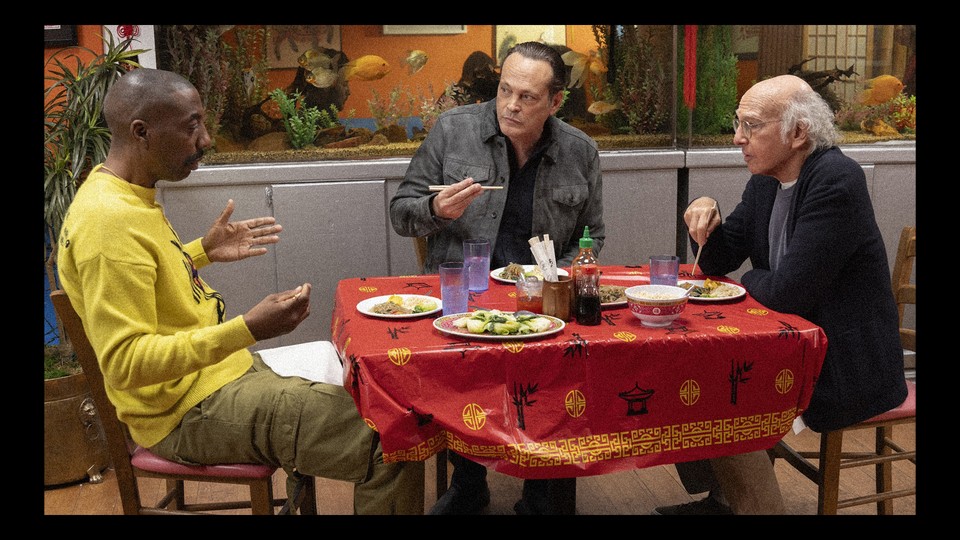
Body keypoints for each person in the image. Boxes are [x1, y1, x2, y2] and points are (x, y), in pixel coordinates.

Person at [56, 67, 424, 515]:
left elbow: (138, 284)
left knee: (369, 393)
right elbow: (127, 363)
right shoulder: (107, 223)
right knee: (390, 437)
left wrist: (200, 252)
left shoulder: (121, 194)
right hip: (185, 412)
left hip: (219, 377)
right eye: (192, 125)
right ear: (141, 132)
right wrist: (246, 329)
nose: (206, 139)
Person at [655, 74, 908, 515]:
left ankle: (748, 504)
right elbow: (718, 261)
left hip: (846, 363)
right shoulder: (766, 181)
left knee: (720, 389)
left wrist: (752, 280)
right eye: (739, 124)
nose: (738, 138)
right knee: (687, 370)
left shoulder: (836, 180)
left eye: (752, 126)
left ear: (798, 133)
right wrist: (704, 213)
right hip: (791, 346)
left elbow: (786, 294)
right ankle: (726, 495)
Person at [390, 41, 604, 515]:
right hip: (467, 298)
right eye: (505, 90)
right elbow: (401, 211)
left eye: (528, 97)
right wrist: (435, 209)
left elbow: (592, 237)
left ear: (555, 102)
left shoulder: (579, 151)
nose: (511, 105)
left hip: (544, 302)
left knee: (563, 368)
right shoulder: (454, 129)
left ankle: (543, 489)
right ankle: (469, 484)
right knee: (467, 371)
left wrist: (559, 280)